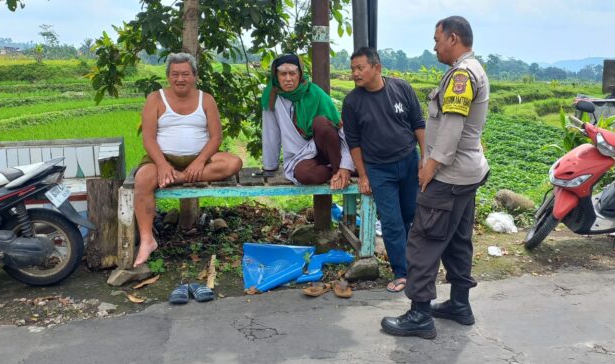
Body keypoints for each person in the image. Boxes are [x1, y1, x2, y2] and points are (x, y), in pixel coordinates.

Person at [381, 16, 490, 339]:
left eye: (437, 39)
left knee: (424, 240)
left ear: (453, 38)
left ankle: (419, 314)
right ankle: (459, 304)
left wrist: (430, 166)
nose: (434, 46)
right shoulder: (472, 70)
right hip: (467, 173)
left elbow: (453, 126)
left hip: (450, 175)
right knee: (457, 238)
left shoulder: (461, 75)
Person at [132, 53, 243, 267]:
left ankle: (177, 178)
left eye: (185, 74)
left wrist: (200, 161)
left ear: (195, 76)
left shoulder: (206, 99)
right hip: (162, 159)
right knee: (143, 179)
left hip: (198, 160)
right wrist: (163, 165)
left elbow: (216, 137)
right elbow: (148, 138)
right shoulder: (155, 99)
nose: (180, 79)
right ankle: (147, 239)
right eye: (175, 74)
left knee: (233, 163)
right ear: (168, 76)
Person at [341, 47, 426, 292]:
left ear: (376, 68)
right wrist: (364, 175)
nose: (355, 74)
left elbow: (418, 124)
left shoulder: (402, 89)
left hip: (409, 162)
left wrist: (424, 158)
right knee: (391, 221)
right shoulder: (353, 102)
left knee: (411, 215)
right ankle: (402, 272)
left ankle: (416, 266)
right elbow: (354, 143)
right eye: (352, 69)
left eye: (360, 68)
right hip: (379, 170)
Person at [262, 54, 354, 189]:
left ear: (300, 74)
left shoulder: (315, 93)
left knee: (321, 123)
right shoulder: (272, 97)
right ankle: (338, 171)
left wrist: (346, 164)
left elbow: (341, 130)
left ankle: (339, 171)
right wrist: (269, 167)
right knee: (303, 174)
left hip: (330, 150)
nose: (288, 79)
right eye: (283, 74)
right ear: (276, 76)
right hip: (302, 155)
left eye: (292, 73)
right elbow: (271, 134)